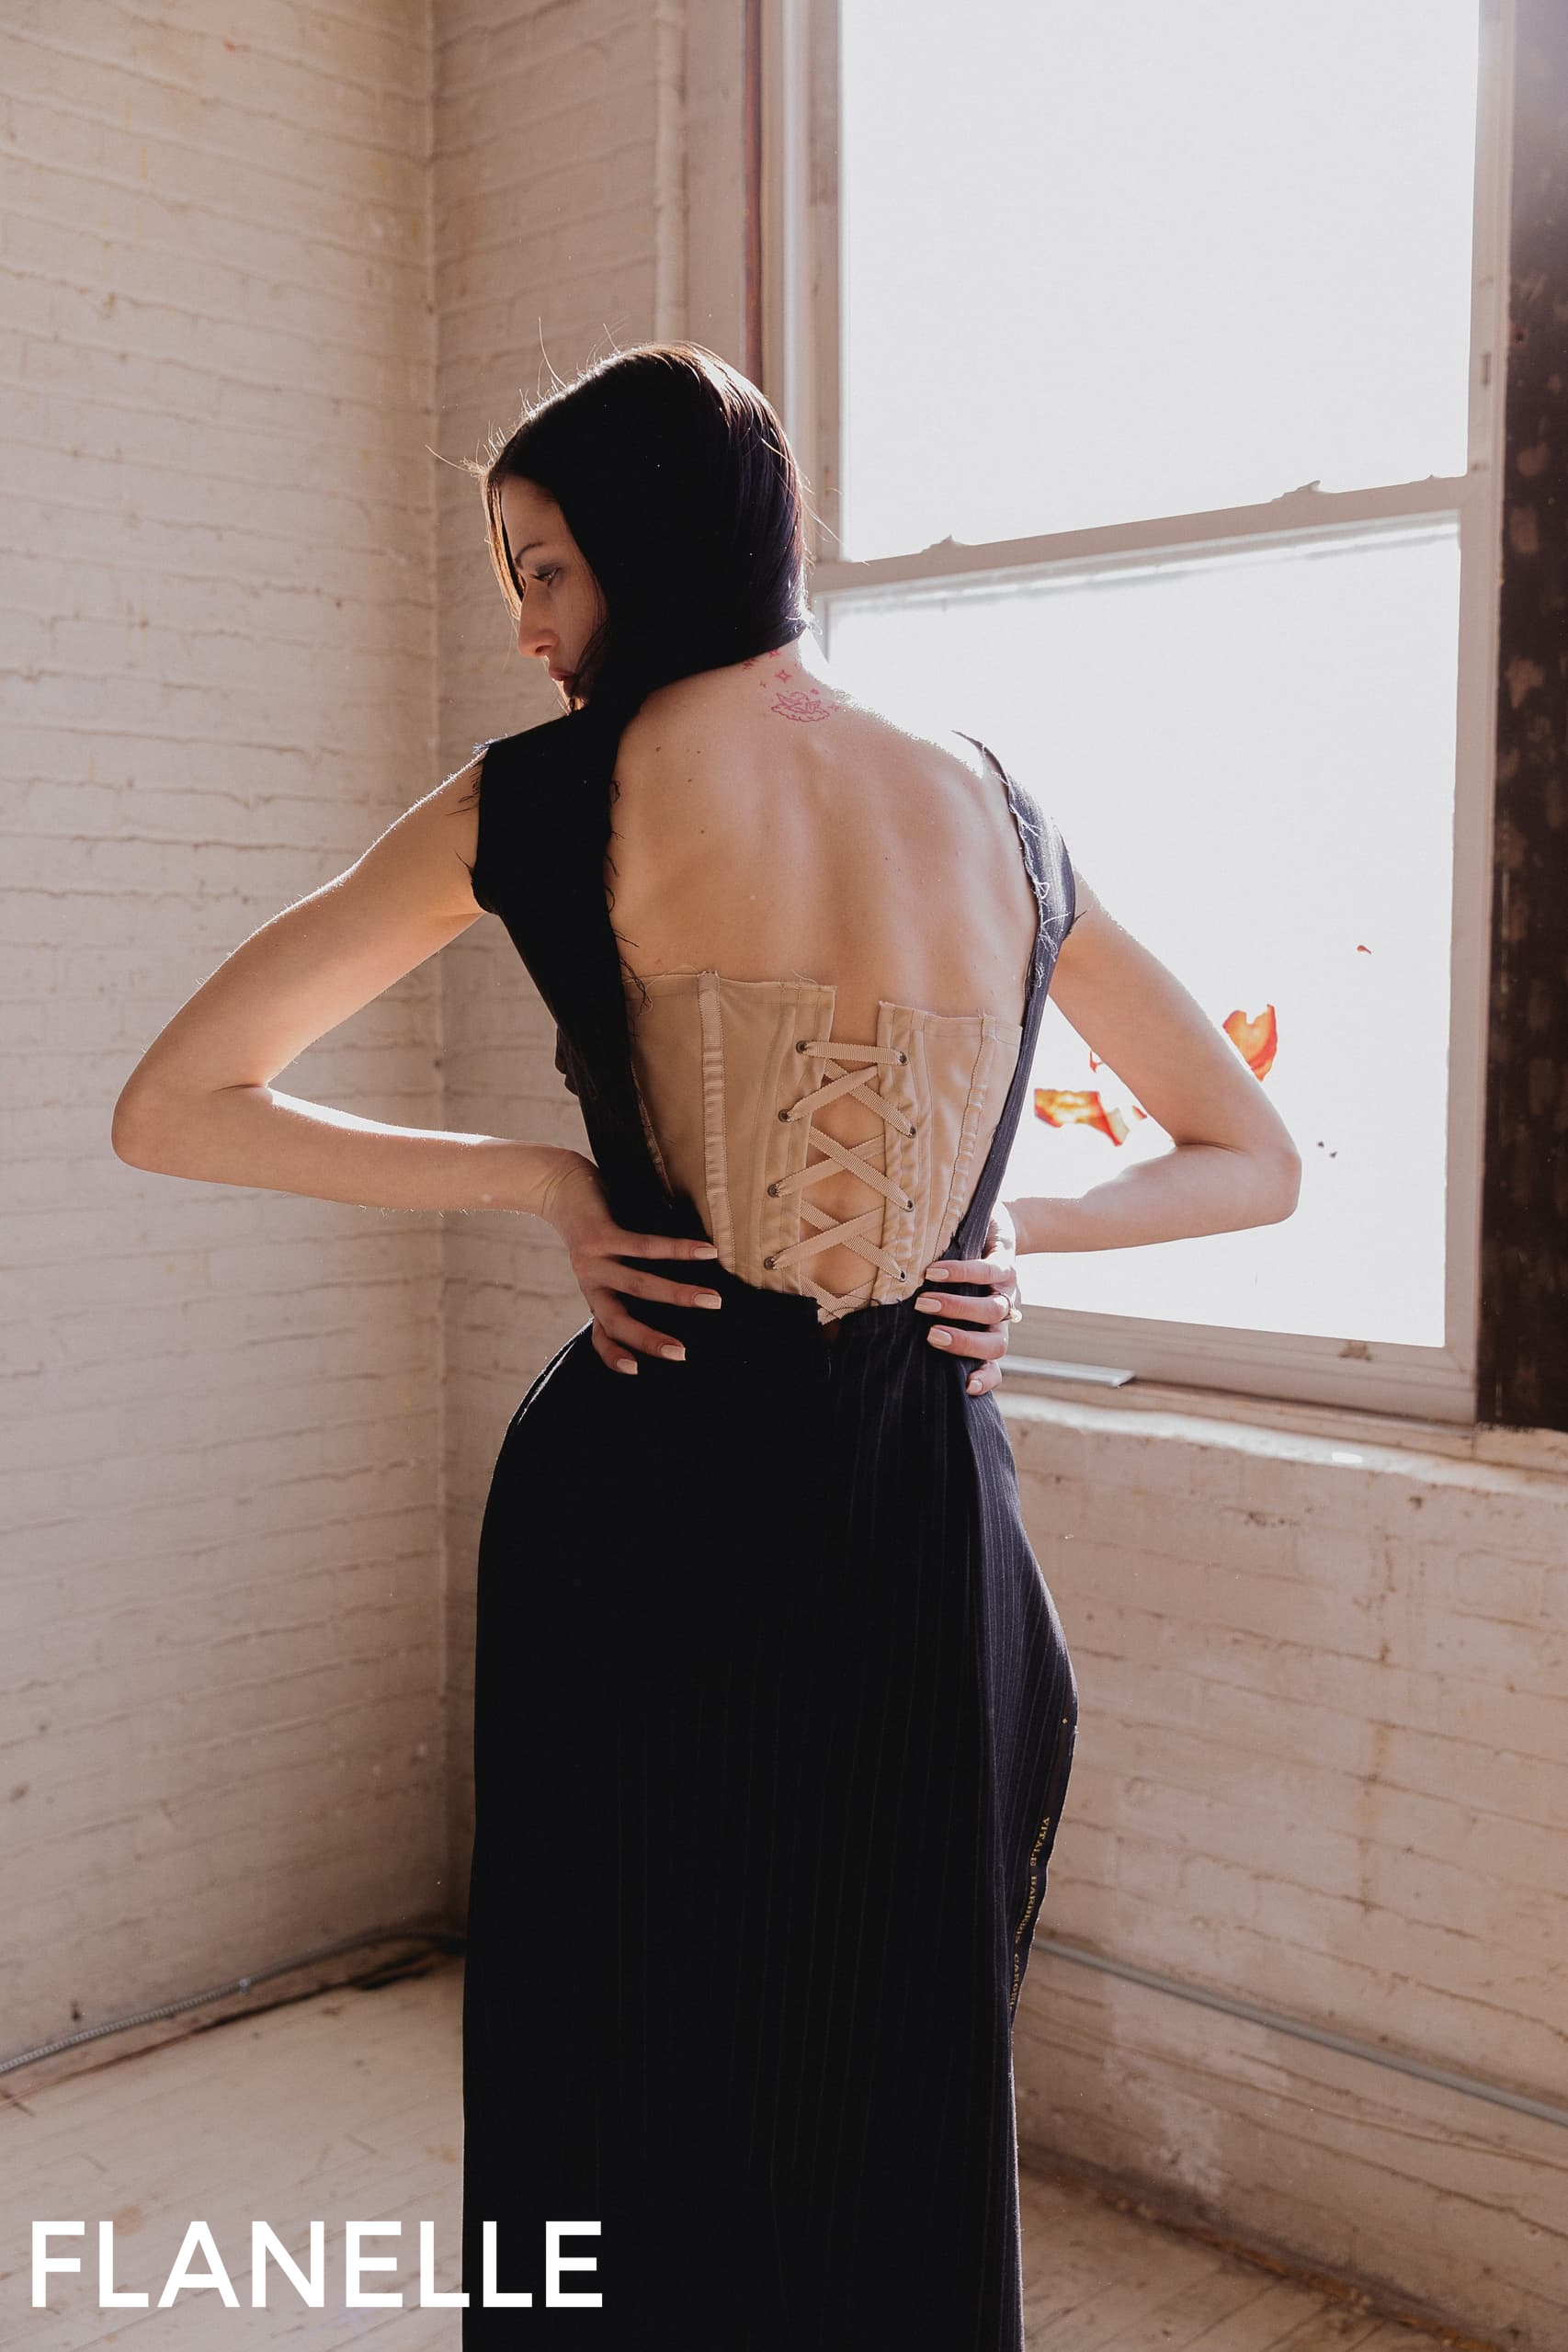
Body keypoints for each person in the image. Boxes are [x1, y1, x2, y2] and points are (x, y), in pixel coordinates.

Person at [112, 342, 1301, 2346]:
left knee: (622, 2074)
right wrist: (1017, 1229)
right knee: (890, 2085)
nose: (527, 622)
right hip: (927, 1519)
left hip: (652, 1493)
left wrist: (535, 1178)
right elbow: (1246, 1156)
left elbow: (174, 1100)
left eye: (548, 569)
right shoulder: (999, 806)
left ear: (653, 552)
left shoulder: (544, 794)